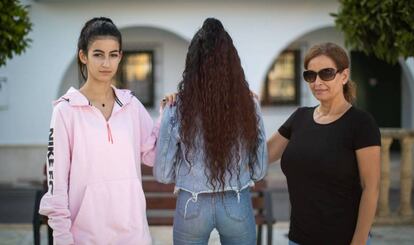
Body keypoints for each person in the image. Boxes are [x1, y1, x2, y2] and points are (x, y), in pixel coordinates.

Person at [39, 17, 162, 245]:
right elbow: (57, 188)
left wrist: (169, 114)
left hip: (134, 235)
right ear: (83, 56)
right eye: (98, 54)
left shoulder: (131, 106)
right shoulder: (65, 111)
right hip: (85, 238)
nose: (106, 63)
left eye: (113, 54)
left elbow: (153, 153)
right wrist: (62, 239)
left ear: (120, 57)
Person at [153, 18, 268, 245]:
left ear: (192, 64)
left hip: (191, 205)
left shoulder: (177, 108)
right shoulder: (249, 104)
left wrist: (190, 172)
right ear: (232, 63)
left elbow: (163, 174)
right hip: (236, 202)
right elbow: (260, 170)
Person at [267, 42, 381, 245]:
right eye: (310, 75)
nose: (317, 81)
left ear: (344, 76)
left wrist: (359, 241)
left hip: (343, 240)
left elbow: (370, 188)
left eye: (326, 73)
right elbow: (264, 154)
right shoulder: (300, 117)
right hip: (298, 240)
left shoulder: (361, 123)